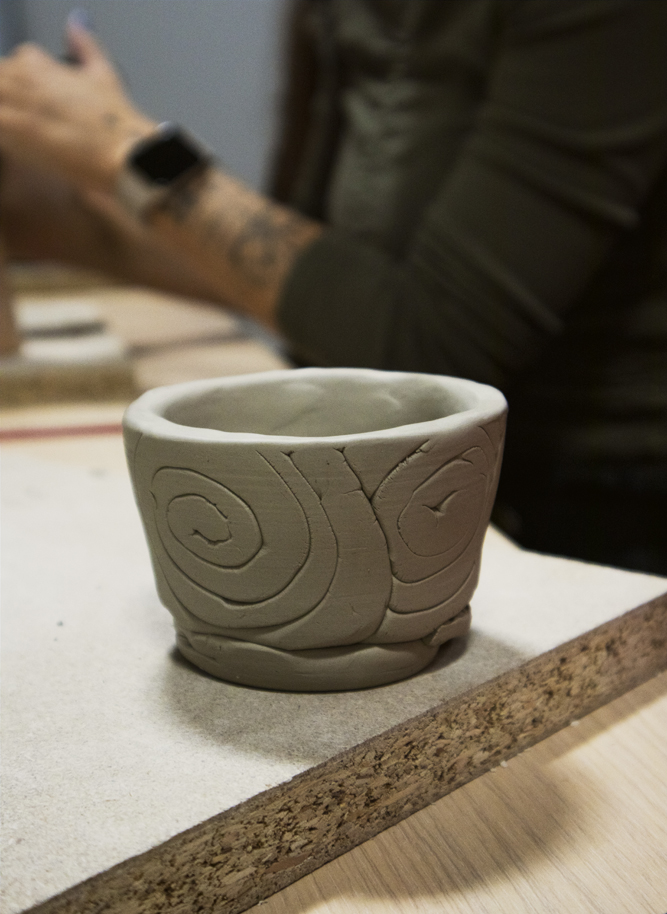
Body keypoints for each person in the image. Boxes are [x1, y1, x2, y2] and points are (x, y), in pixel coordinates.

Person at [1, 1, 666, 574]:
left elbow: (427, 352)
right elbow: (320, 275)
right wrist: (54, 218)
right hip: (418, 470)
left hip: (582, 512)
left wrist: (128, 153)